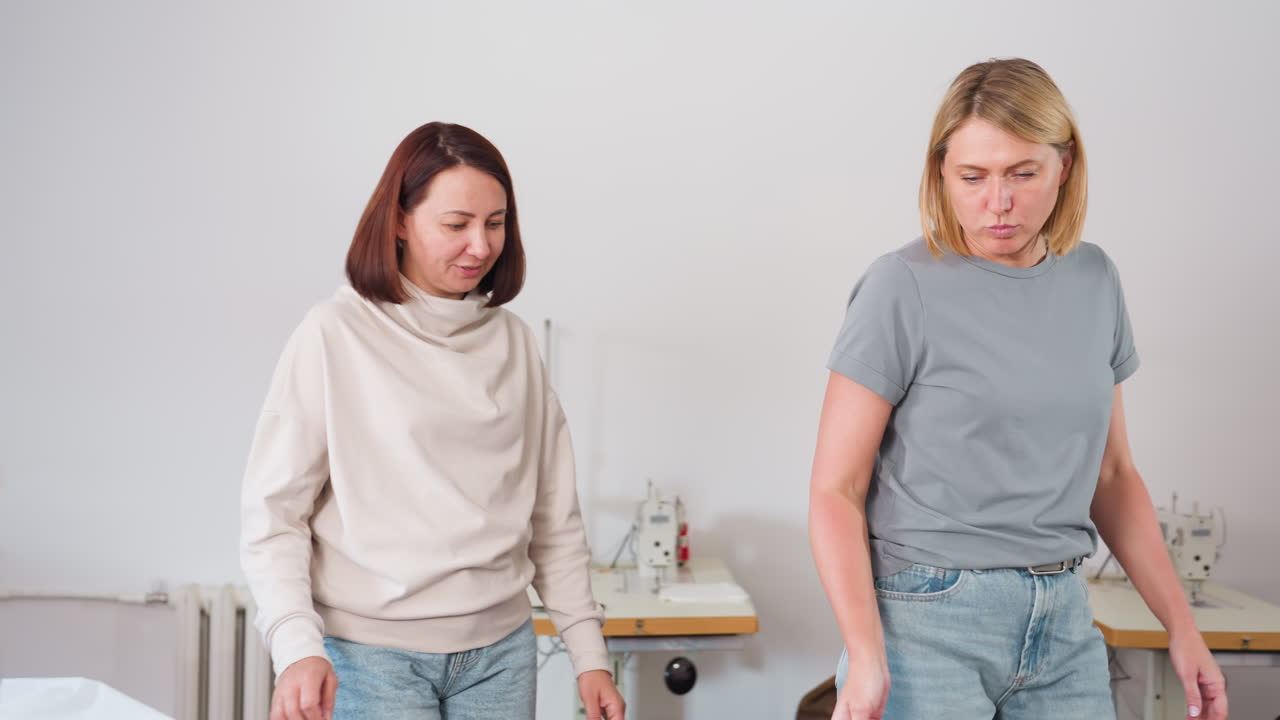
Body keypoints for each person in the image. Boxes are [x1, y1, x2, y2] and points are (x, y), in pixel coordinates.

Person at [808, 59, 1227, 720]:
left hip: (1063, 621)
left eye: (1022, 174)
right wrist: (865, 653)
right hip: (927, 624)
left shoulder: (1096, 282)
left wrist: (1182, 626)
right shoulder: (900, 285)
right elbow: (836, 490)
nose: (997, 203)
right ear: (940, 172)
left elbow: (1114, 476)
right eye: (972, 177)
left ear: (1065, 165)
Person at [240, 122, 625, 720]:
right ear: (399, 220)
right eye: (456, 225)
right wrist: (294, 646)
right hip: (370, 660)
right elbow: (274, 515)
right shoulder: (334, 335)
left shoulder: (515, 344)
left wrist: (588, 654)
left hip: (501, 656)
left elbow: (554, 518)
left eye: (495, 224)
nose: (480, 245)